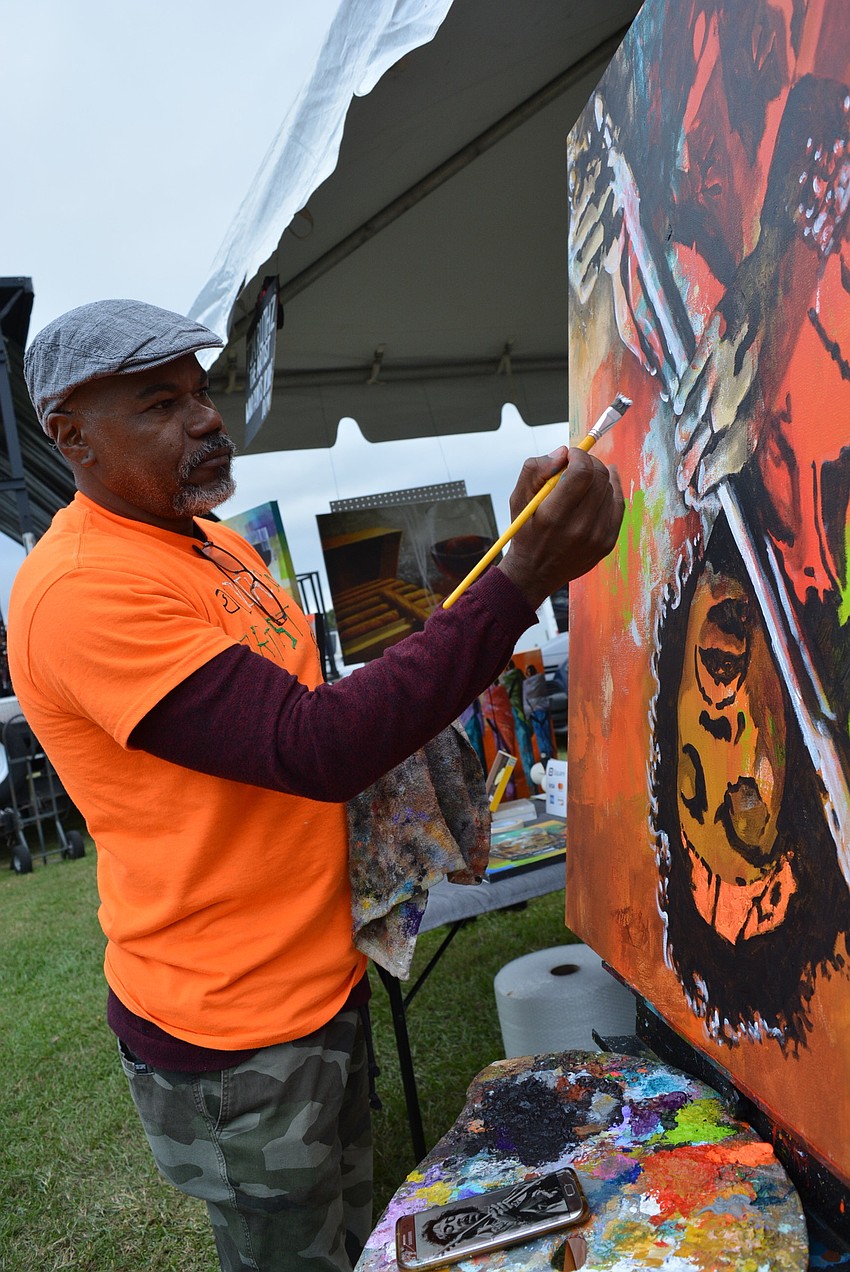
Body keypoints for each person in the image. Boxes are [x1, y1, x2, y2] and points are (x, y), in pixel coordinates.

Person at [8, 299, 624, 1272]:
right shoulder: (80, 591)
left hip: (321, 978)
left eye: (201, 390)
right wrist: (519, 581)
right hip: (233, 1031)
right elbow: (314, 744)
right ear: (71, 437)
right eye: (161, 403)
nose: (206, 417)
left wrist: (509, 554)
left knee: (349, 1228)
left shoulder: (215, 542)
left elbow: (316, 703)